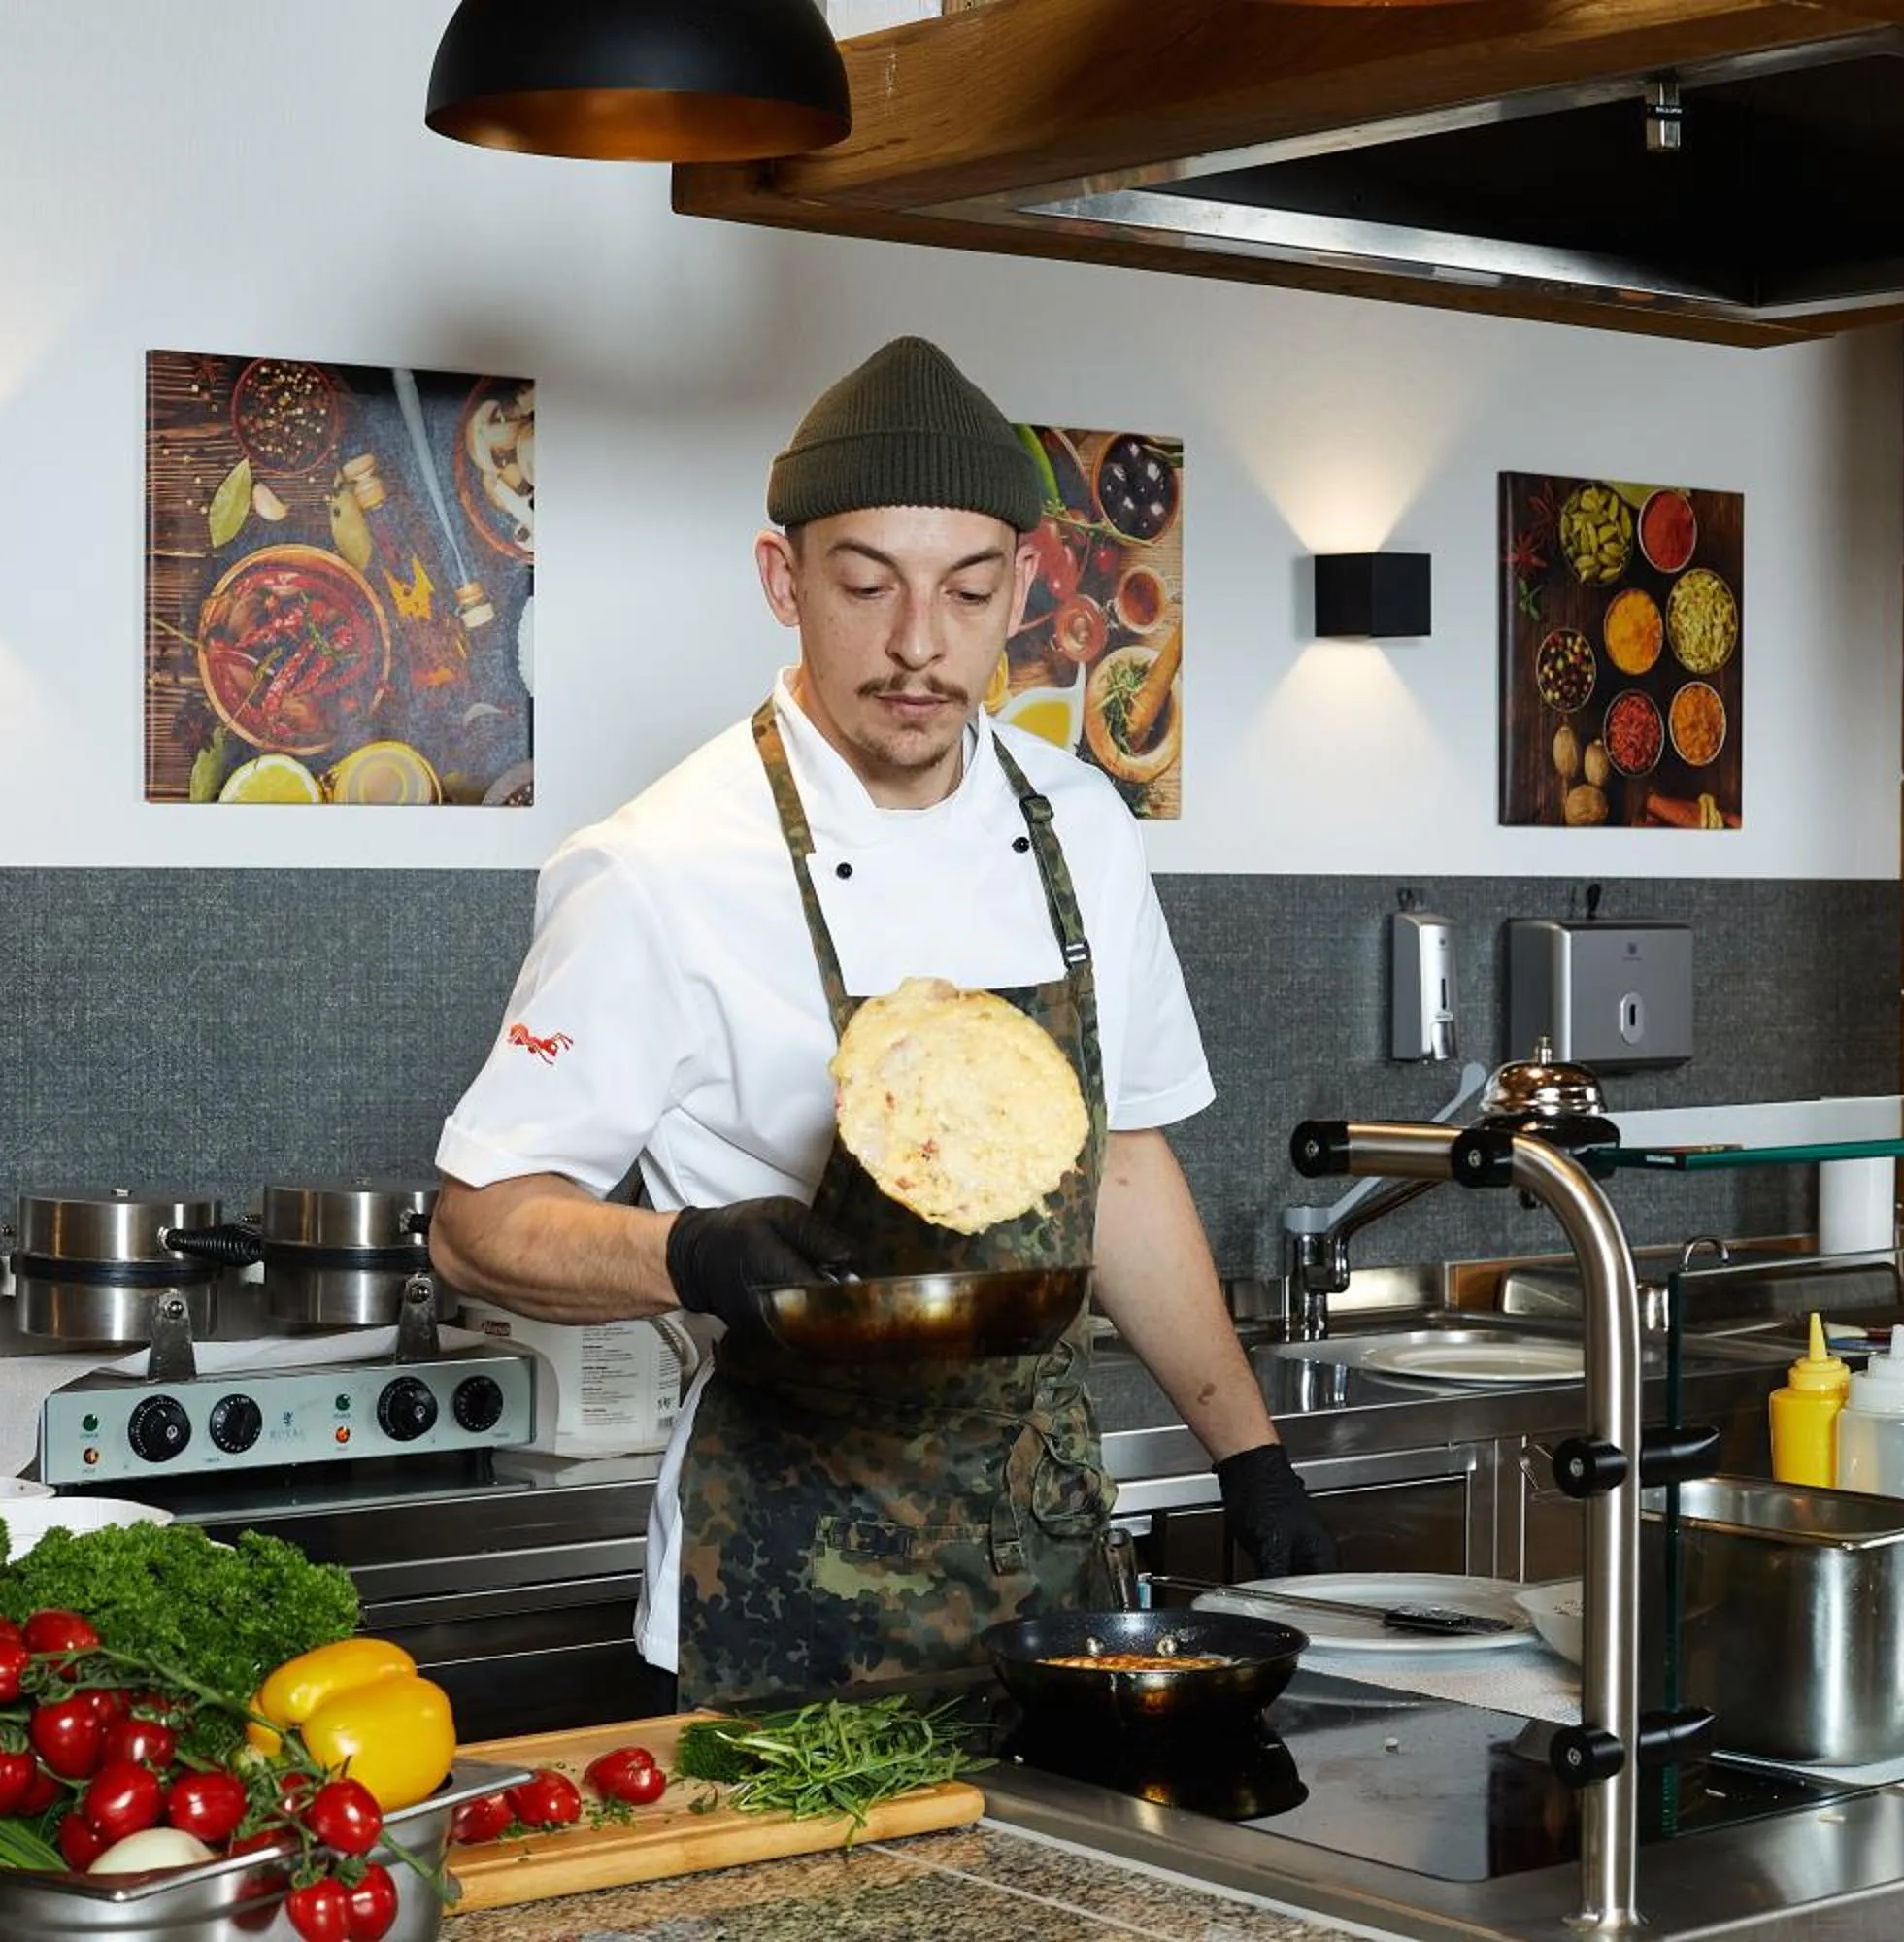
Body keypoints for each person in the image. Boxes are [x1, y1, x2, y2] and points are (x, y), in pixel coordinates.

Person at [429, 336, 1334, 1708]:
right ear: (782, 581)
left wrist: (1248, 1456)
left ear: (1024, 587)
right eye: (865, 586)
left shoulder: (1082, 825)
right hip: (778, 1581)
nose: (920, 644)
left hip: (1053, 1580)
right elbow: (477, 1220)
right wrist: (692, 1253)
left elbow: (1124, 1170)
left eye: (969, 591)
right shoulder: (661, 865)